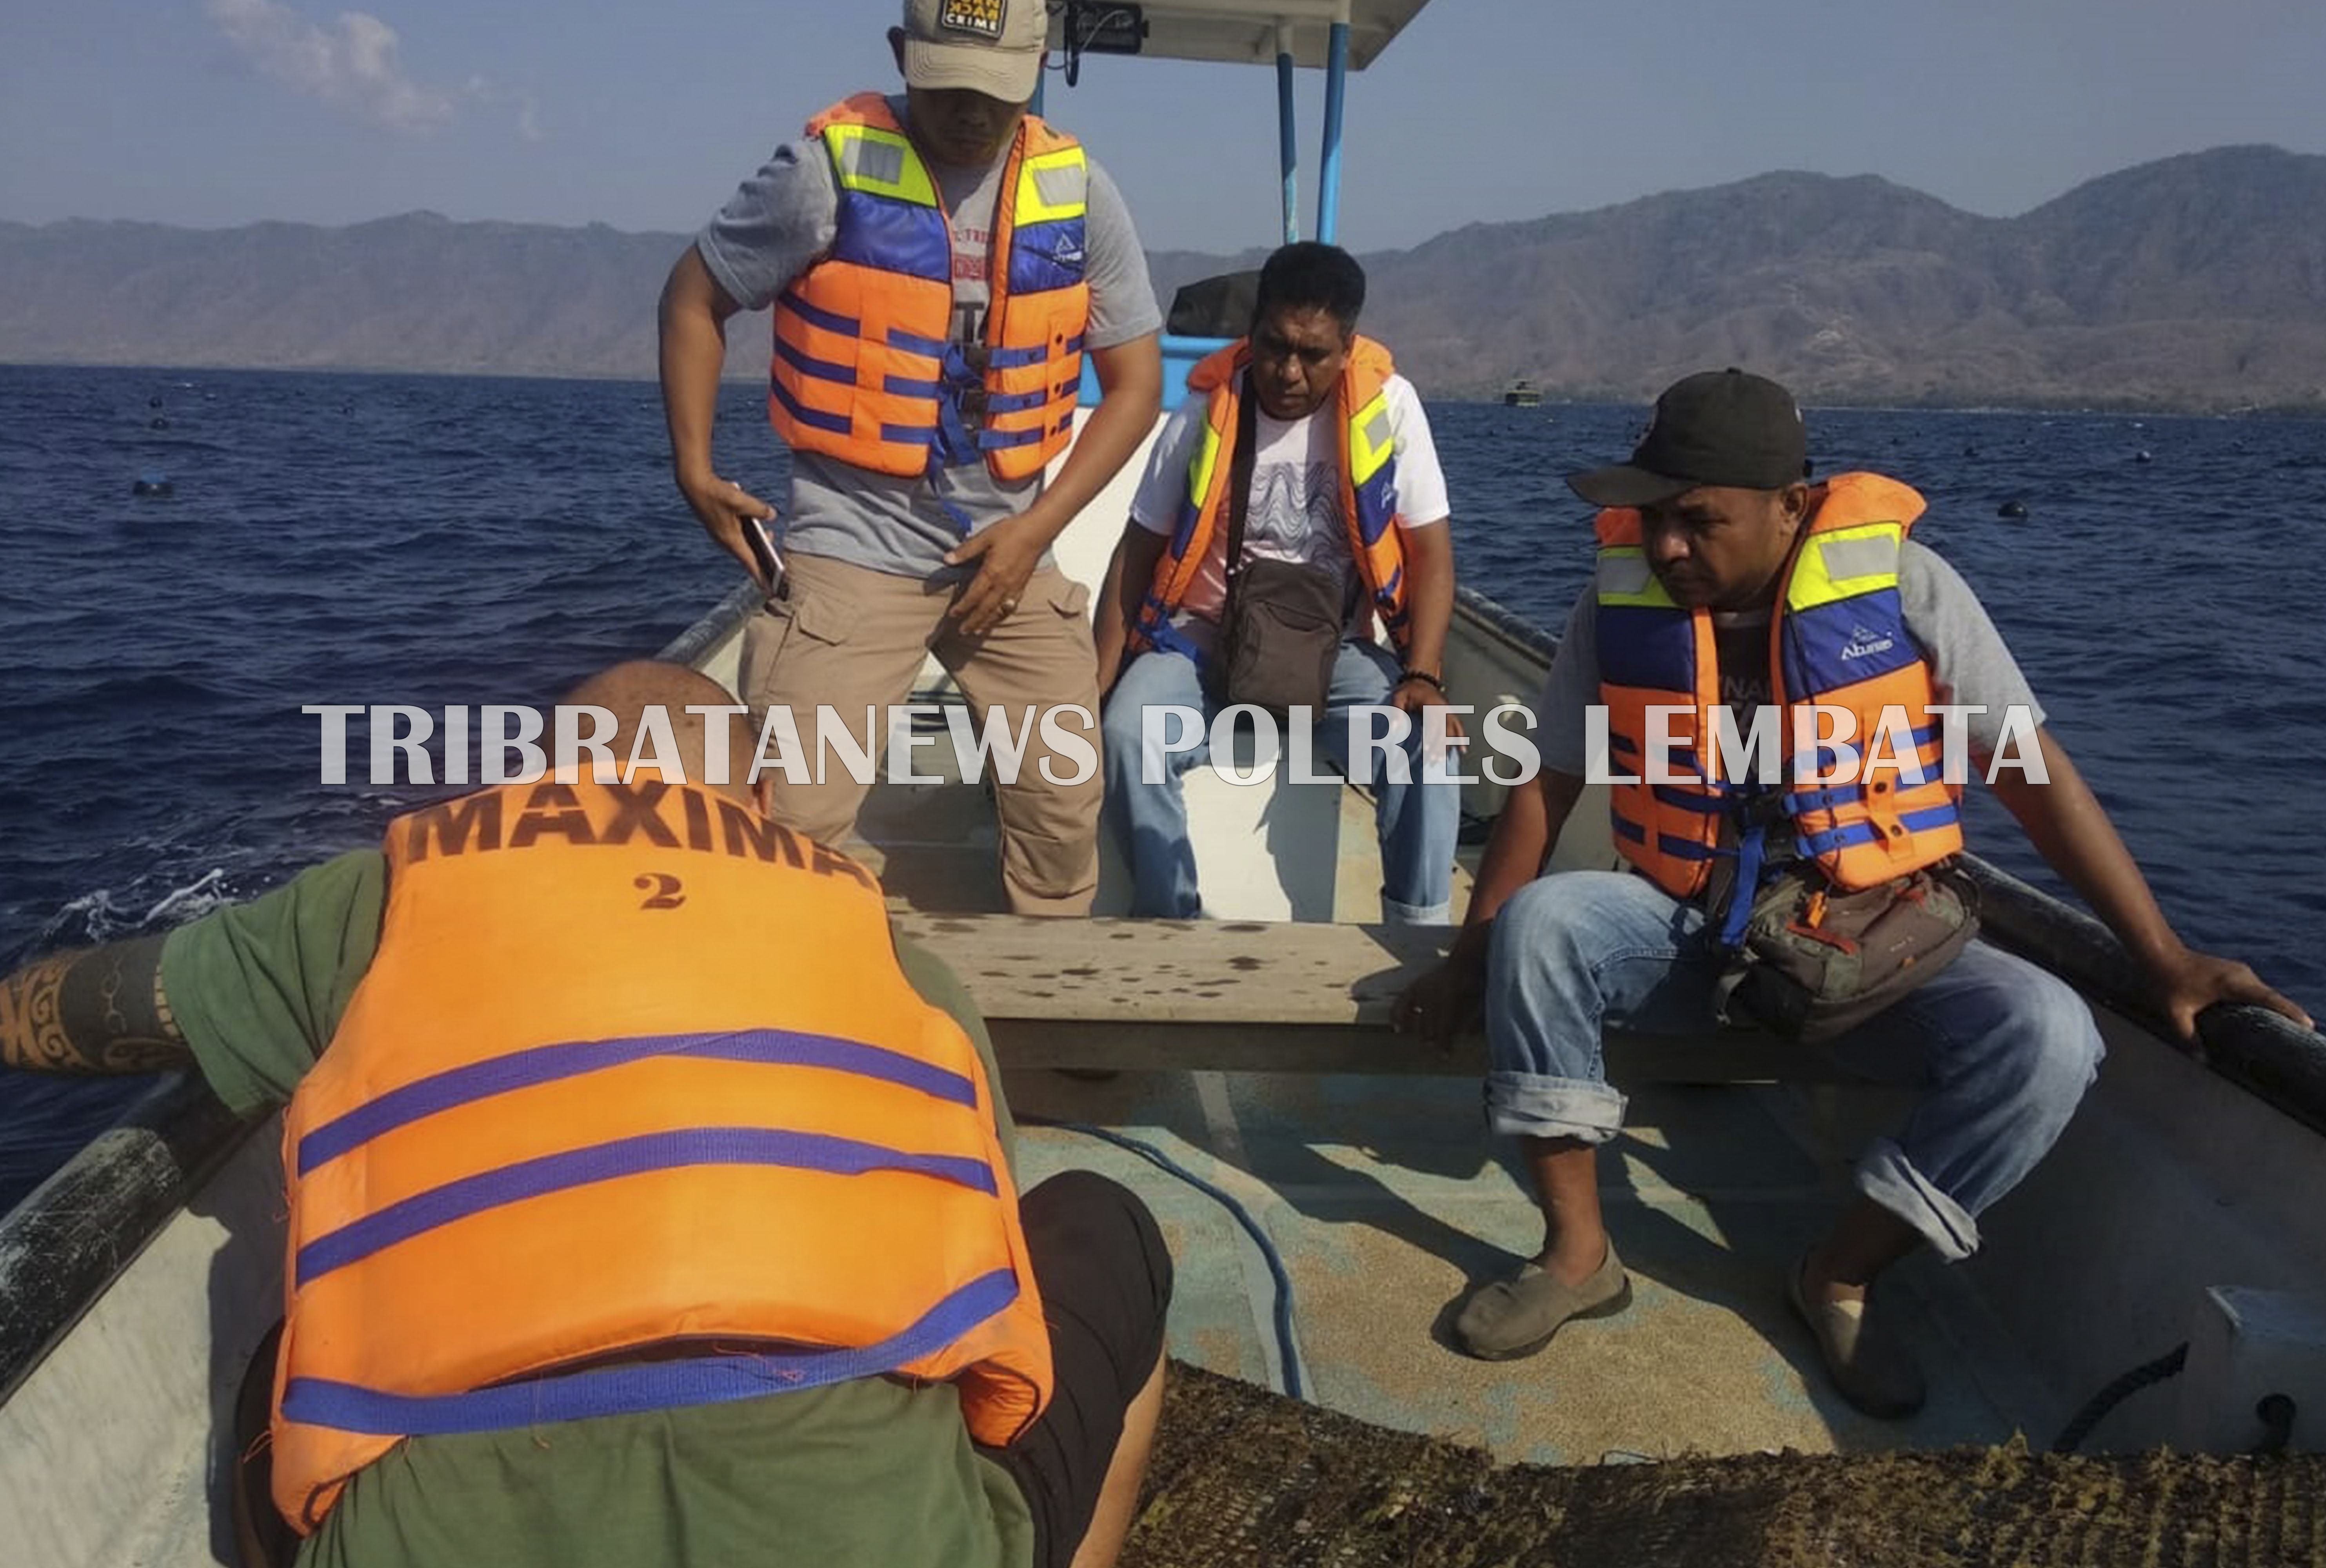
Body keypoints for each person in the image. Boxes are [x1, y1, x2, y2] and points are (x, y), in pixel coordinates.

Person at [0, 661, 1172, 1568]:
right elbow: (980, 1298)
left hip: (437, 1538)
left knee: (273, 1371)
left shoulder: (386, 897)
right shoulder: (902, 964)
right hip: (877, 1537)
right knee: (1106, 1225)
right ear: (764, 806)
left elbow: (95, 1008)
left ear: (537, 785)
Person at [1394, 370, 2311, 1416]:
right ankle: (1578, 1256)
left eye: (1699, 522)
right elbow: (1542, 792)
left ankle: (1838, 1274)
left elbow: (2033, 777)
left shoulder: (1906, 589)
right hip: (1683, 934)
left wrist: (2165, 957)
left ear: (1791, 506)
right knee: (1545, 923)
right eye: (1653, 520)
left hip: (1867, 943)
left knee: (2052, 1037)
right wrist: (1467, 959)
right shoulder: (1617, 606)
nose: (1667, 549)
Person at [658, 0, 1163, 917]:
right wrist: (693, 467)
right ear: (903, 55)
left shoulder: (1081, 191)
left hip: (1011, 551)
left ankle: (1051, 1004)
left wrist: (1035, 534)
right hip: (849, 550)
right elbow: (694, 298)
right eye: (950, 86)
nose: (971, 112)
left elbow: (1135, 384)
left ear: (1038, 66)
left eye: (996, 92)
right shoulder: (825, 172)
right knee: (795, 818)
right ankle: (835, 994)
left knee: (1062, 798)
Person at [1094, 242, 1462, 924]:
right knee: (1126, 734)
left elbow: (1433, 556)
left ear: (1348, 347)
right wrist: (1100, 680)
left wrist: (1423, 675)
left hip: (1334, 649)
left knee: (1426, 751)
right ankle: (1169, 919)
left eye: (1314, 354)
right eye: (1273, 346)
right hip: (1202, 641)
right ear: (1254, 331)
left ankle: (1421, 942)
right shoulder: (1208, 409)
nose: (1288, 371)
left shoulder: (1393, 409)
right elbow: (1136, 551)